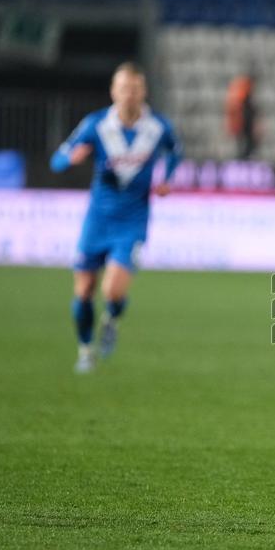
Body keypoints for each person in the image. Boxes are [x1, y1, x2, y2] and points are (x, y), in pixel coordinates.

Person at [51, 62, 183, 373]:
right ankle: (85, 351)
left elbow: (175, 152)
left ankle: (111, 318)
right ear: (113, 91)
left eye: (135, 88)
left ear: (143, 92)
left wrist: (168, 179)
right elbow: (56, 160)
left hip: (133, 220)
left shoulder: (158, 127)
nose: (129, 94)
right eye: (124, 88)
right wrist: (70, 159)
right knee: (83, 291)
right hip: (97, 220)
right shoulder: (96, 125)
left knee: (112, 290)